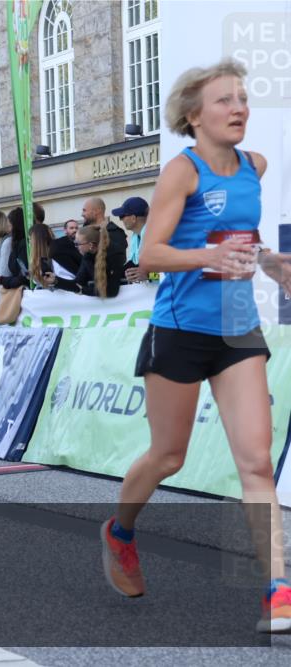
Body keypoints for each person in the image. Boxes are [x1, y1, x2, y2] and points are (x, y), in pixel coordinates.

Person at [100, 59, 291, 632]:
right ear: (193, 115)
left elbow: (241, 243)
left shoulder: (254, 166)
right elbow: (150, 254)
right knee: (168, 456)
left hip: (237, 330)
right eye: (224, 101)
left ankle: (278, 588)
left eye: (242, 98)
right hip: (180, 329)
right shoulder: (180, 173)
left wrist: (273, 263)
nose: (238, 109)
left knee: (256, 461)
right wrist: (207, 258)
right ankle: (120, 531)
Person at [48, 224, 120, 297]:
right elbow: (77, 283)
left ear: (91, 245)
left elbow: (111, 291)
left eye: (77, 244)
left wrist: (83, 290)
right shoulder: (87, 257)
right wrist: (55, 281)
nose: (76, 247)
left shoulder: (114, 255)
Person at [114, 196, 152, 283]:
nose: (121, 220)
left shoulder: (158, 237)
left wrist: (149, 276)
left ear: (133, 218)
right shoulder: (136, 237)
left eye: (122, 216)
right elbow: (133, 264)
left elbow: (173, 273)